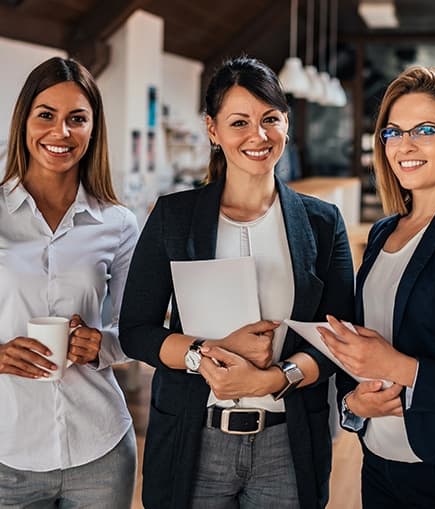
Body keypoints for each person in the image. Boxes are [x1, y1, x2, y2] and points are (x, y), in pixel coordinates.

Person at [119, 56, 355, 509]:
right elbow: (136, 330)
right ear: (213, 130)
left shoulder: (323, 222)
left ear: (286, 123)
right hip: (195, 437)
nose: (258, 135)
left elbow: (337, 336)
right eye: (239, 122)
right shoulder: (173, 217)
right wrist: (202, 356)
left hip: (287, 444)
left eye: (270, 119)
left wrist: (275, 379)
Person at [319, 66, 435, 508]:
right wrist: (354, 405)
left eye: (426, 129)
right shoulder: (382, 233)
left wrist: (404, 369)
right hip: (379, 465)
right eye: (393, 132)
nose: (405, 145)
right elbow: (364, 350)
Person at [0, 57, 139, 508]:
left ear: (93, 129)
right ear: (24, 121)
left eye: (77, 119)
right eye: (47, 115)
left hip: (100, 448)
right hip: (7, 452)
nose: (61, 132)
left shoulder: (118, 223)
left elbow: (141, 326)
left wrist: (104, 345)